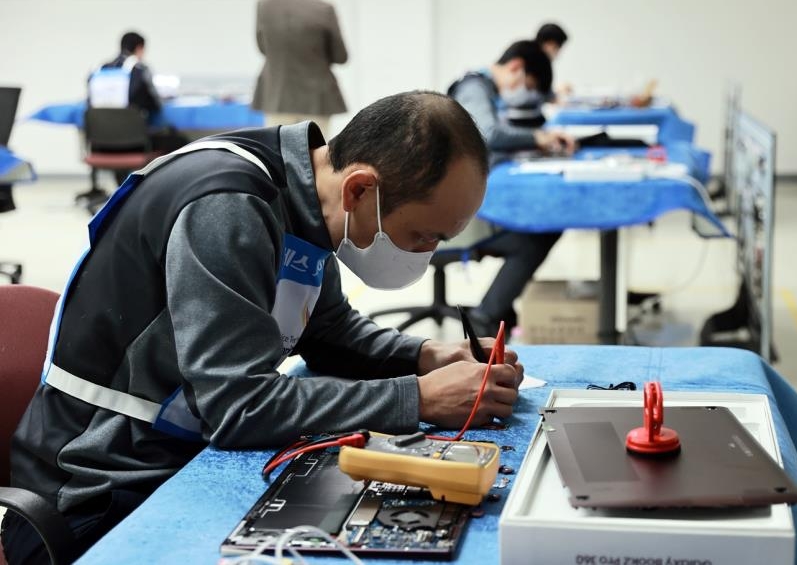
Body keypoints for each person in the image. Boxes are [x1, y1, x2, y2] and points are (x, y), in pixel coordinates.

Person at [1, 92, 523, 565]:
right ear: (362, 188)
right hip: (102, 489)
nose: (426, 256)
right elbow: (238, 406)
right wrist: (419, 399)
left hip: (179, 456)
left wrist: (428, 357)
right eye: (422, 235)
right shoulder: (230, 207)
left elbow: (330, 333)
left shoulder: (306, 199)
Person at [448, 40, 576, 335]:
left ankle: (496, 308)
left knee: (542, 225)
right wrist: (538, 139)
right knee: (538, 234)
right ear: (516, 67)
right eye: (528, 87)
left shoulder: (484, 90)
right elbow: (487, 133)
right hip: (454, 216)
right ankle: (486, 316)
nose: (526, 95)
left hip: (462, 197)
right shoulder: (474, 89)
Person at [252, 0, 349, 138]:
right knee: (316, 158)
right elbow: (340, 55)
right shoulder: (323, 8)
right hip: (316, 99)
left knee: (278, 154)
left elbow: (263, 47)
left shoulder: (264, 5)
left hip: (276, 96)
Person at [87, 31, 190, 182]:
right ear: (140, 48)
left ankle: (121, 189)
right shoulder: (139, 70)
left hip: (100, 145)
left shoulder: (98, 70)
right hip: (135, 144)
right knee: (180, 142)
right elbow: (155, 106)